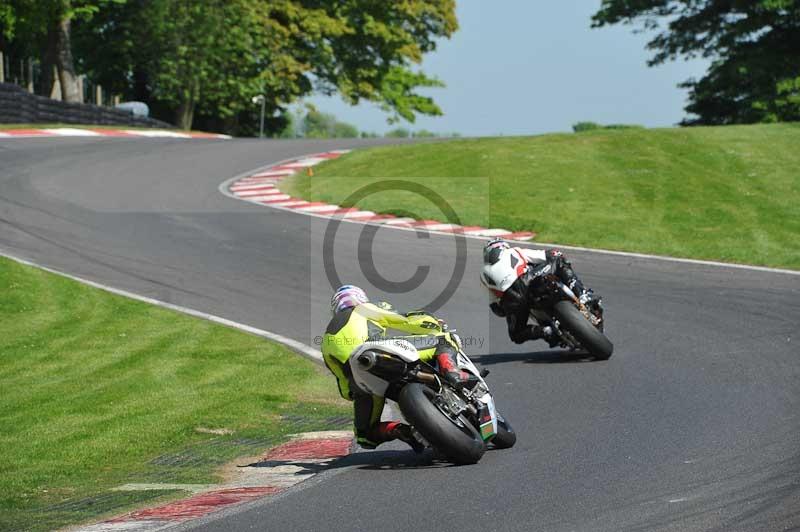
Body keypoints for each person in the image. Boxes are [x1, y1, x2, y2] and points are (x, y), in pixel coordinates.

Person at [321, 285, 471, 451]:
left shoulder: (326, 341)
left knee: (365, 436)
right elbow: (405, 319)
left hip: (363, 381)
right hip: (378, 354)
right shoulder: (365, 308)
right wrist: (435, 324)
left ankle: (402, 431)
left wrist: (357, 392)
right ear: (360, 299)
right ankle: (452, 372)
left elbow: (344, 388)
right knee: (444, 340)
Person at [479, 238, 602, 346]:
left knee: (516, 334)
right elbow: (547, 255)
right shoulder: (513, 251)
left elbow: (497, 309)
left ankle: (545, 331)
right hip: (530, 279)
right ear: (504, 246)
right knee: (558, 259)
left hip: (512, 301)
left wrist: (510, 309)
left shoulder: (483, 275)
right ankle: (582, 294)